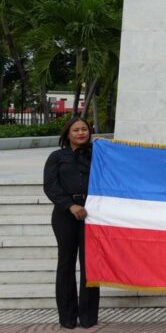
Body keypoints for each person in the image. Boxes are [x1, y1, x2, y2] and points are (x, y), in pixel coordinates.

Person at [43, 117, 100, 329]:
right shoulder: (56, 157)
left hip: (92, 214)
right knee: (66, 264)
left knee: (90, 265)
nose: (80, 133)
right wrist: (70, 205)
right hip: (65, 214)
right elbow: (50, 186)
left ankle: (88, 317)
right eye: (75, 130)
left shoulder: (98, 155)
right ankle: (67, 318)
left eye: (84, 129)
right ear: (68, 134)